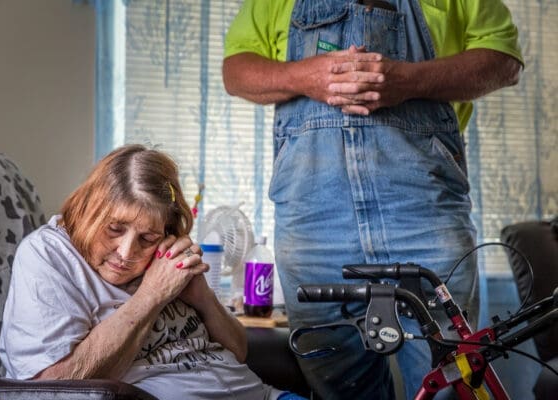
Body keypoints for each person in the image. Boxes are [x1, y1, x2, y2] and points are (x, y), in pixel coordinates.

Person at [222, 1, 523, 399]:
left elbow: (504, 60)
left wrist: (411, 81)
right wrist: (304, 76)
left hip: (426, 216)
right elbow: (236, 70)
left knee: (452, 379)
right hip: (314, 226)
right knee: (336, 386)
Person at [0, 144, 304, 400]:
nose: (126, 253)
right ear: (89, 211)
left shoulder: (166, 257)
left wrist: (202, 297)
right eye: (114, 229)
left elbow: (238, 351)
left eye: (147, 238)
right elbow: (50, 388)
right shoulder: (50, 255)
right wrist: (153, 294)